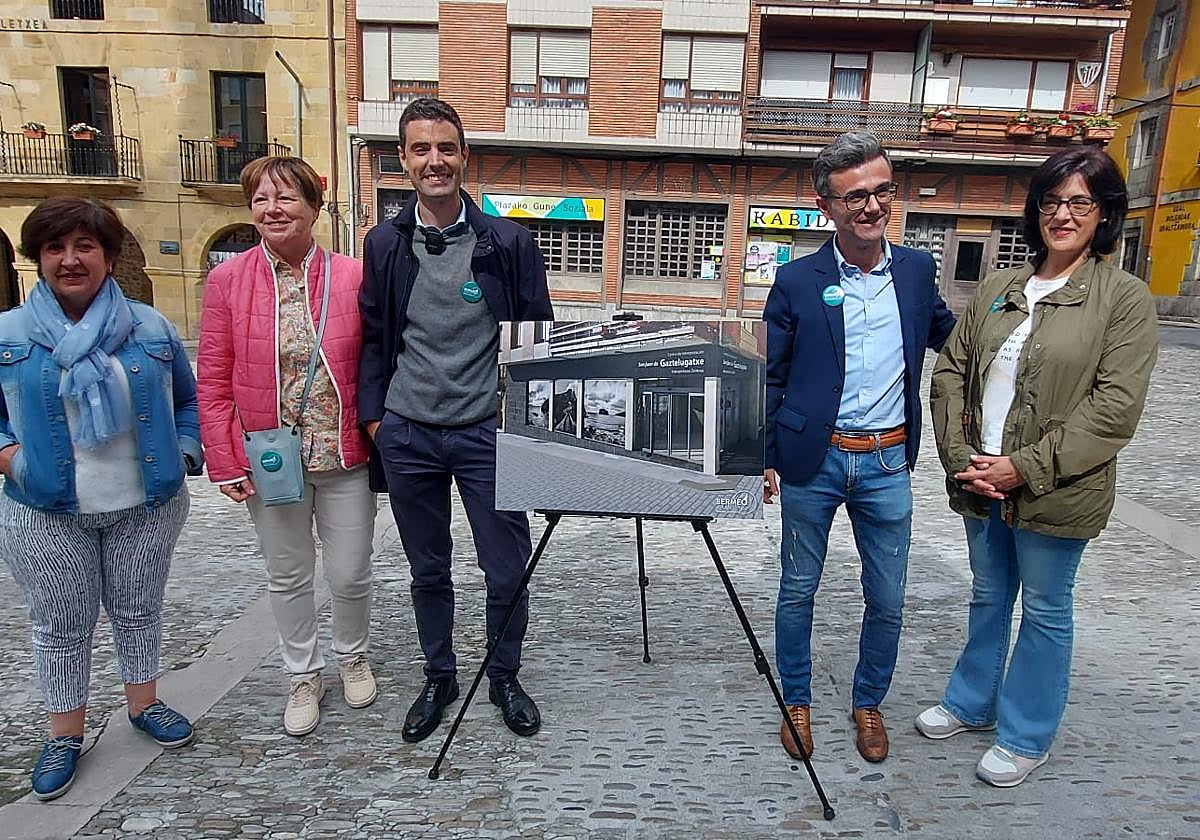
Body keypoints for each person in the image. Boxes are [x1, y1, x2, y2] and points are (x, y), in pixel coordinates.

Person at [920, 146, 1158, 787]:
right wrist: (961, 459)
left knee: (1047, 608)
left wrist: (1020, 469)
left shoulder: (1124, 299)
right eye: (1051, 201)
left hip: (1056, 489)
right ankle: (972, 702)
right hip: (980, 479)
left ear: (1105, 212)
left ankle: (1026, 734)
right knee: (989, 595)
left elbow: (1113, 410)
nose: (1062, 214)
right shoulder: (1000, 287)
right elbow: (950, 371)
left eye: (1079, 202)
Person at [358, 97, 553, 743]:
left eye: (445, 147)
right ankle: (439, 675)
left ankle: (502, 674)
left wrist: (529, 434)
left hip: (485, 433)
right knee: (428, 569)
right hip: (409, 432)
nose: (433, 161)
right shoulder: (384, 243)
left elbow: (536, 341)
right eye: (420, 149)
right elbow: (376, 336)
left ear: (464, 155)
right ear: (403, 159)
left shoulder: (508, 242)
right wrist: (377, 419)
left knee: (506, 569)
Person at [0, 197, 202, 801]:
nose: (70, 259)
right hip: (46, 507)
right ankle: (65, 733)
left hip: (144, 502)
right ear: (38, 258)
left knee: (139, 609)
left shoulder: (149, 327)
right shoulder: (9, 334)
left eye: (84, 246)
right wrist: (11, 459)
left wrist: (186, 451)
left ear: (108, 257)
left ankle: (144, 704)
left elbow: (187, 401)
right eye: (56, 248)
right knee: (61, 623)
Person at [763, 131, 955, 763]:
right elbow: (774, 374)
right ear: (828, 207)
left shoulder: (918, 272)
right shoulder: (796, 280)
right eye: (855, 198)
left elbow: (952, 342)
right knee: (798, 589)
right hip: (812, 462)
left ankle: (868, 702)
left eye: (881, 192)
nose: (872, 207)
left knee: (889, 595)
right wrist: (762, 455)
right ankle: (797, 699)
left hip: (886, 461)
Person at [197, 156, 377, 737]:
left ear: (313, 207)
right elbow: (214, 378)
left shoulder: (352, 275)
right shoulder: (228, 280)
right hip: (272, 456)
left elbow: (379, 359)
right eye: (260, 200)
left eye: (285, 198)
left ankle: (352, 655)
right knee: (288, 573)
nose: (272, 209)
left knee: (350, 572)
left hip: (343, 451)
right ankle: (303, 672)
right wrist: (224, 459)